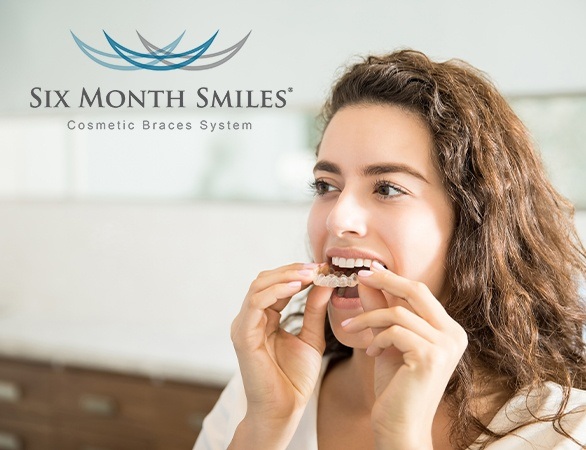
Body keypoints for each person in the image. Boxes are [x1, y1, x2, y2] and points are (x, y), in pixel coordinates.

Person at [194, 50, 586, 449]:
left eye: (387, 188)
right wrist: (264, 429)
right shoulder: (257, 396)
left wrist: (403, 438)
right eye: (327, 186)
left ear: (474, 224)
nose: (337, 218)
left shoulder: (564, 431)